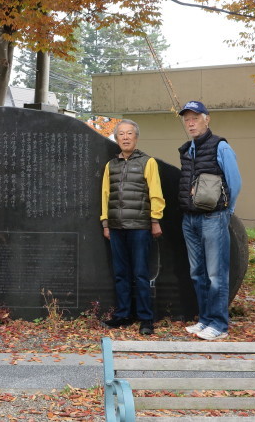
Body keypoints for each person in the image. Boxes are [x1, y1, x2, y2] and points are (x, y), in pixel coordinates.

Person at [178, 101, 241, 340]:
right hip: (190, 219)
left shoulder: (220, 146)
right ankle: (205, 320)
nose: (191, 122)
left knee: (216, 274)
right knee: (198, 273)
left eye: (196, 117)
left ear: (207, 119)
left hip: (214, 217)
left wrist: (227, 211)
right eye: (187, 119)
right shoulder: (187, 150)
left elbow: (235, 182)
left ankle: (219, 325)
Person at [101, 119, 165, 335]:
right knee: (120, 274)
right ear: (116, 138)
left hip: (140, 226)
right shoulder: (111, 165)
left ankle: (146, 319)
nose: (125, 137)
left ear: (136, 137)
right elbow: (105, 196)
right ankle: (123, 315)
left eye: (129, 133)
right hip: (116, 227)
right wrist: (105, 223)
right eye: (121, 134)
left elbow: (155, 193)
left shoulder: (148, 162)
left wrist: (155, 220)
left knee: (140, 274)